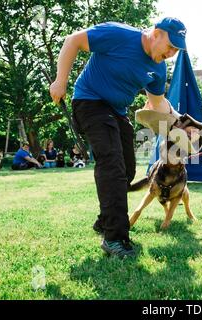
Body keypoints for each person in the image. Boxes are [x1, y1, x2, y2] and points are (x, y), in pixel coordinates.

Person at [49, 17, 187, 258]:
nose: (171, 53)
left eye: (176, 49)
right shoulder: (118, 34)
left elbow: (157, 103)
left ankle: (105, 220)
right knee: (111, 164)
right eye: (170, 46)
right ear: (156, 34)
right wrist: (60, 81)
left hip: (117, 111)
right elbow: (73, 41)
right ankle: (115, 238)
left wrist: (181, 123)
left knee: (128, 170)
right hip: (90, 101)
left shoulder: (158, 67)